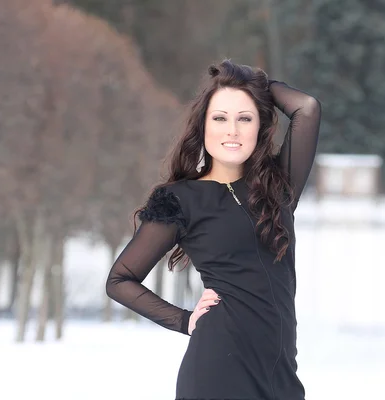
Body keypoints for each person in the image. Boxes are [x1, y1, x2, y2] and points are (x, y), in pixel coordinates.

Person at [105, 59, 321, 400]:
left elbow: (306, 109)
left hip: (279, 375)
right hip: (218, 370)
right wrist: (184, 320)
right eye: (219, 118)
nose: (231, 131)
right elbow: (119, 281)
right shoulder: (181, 199)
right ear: (203, 127)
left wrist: (253, 86)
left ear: (260, 125)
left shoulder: (277, 188)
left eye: (244, 118)